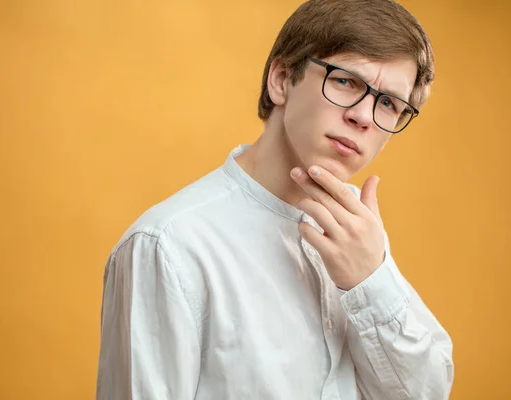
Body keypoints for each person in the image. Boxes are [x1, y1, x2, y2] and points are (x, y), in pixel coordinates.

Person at [96, 0, 454, 398]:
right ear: (282, 79)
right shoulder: (168, 246)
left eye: (388, 103)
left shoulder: (361, 234)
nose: (364, 117)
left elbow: (426, 392)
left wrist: (371, 281)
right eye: (346, 81)